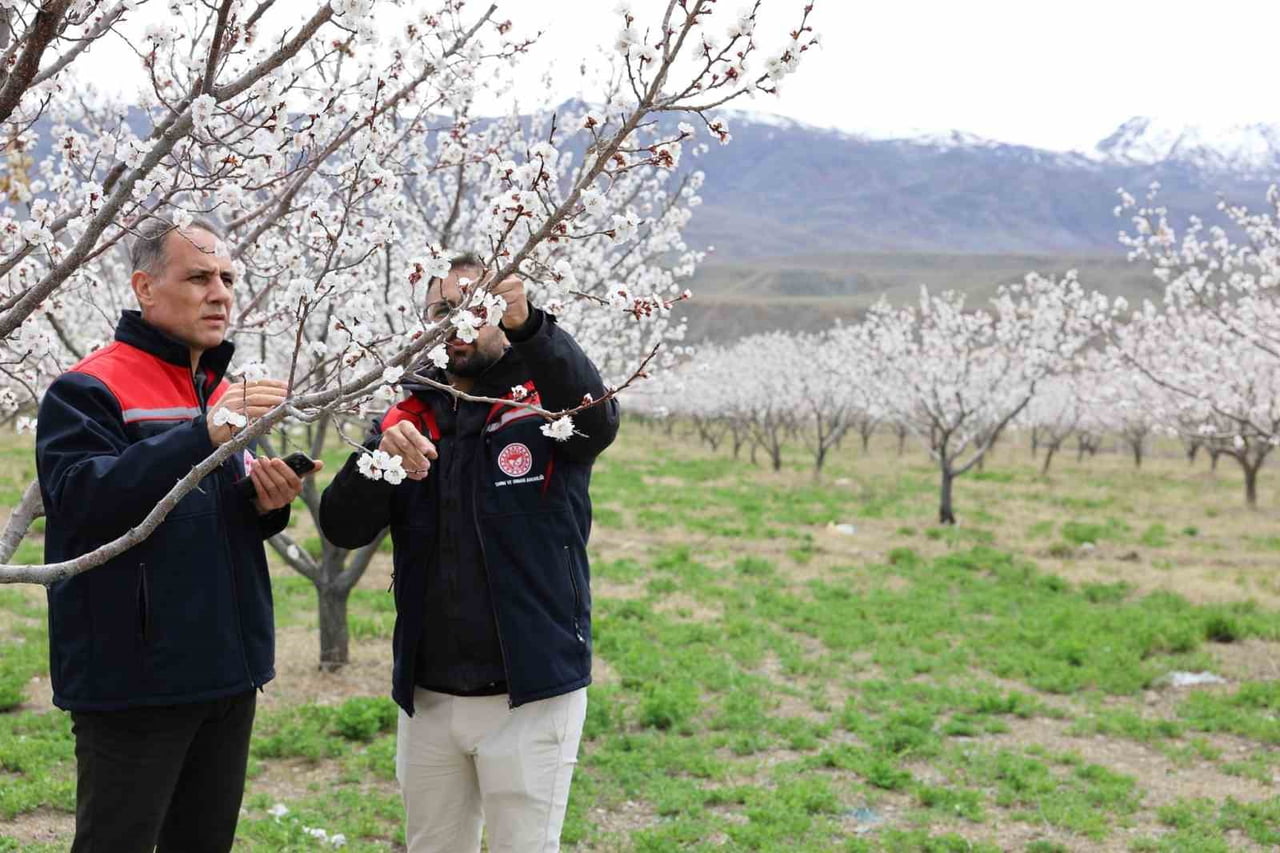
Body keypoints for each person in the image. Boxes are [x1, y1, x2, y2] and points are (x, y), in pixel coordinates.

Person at [36, 217, 320, 853]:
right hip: (135, 678)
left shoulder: (222, 388)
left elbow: (204, 512)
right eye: (198, 277)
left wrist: (264, 503)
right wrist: (202, 434)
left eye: (227, 278)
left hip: (227, 671)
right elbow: (82, 501)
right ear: (145, 287)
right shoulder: (88, 388)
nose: (220, 292)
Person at [319, 252, 619, 852]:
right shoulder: (409, 417)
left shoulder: (543, 410)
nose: (454, 325)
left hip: (529, 691)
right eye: (440, 311)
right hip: (428, 696)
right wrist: (376, 466)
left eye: (470, 310)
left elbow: (599, 420)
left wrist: (533, 325)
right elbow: (341, 527)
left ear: (500, 317)